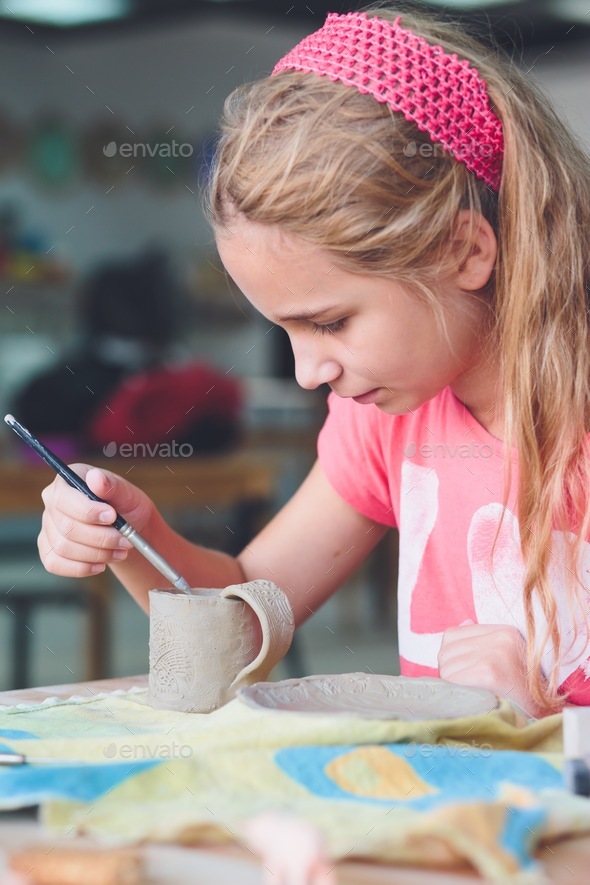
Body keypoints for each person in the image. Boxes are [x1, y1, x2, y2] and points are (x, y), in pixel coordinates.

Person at [37, 6, 590, 717]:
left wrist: (545, 720)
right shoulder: (386, 415)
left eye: (330, 321)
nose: (307, 373)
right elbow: (246, 613)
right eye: (286, 331)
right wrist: (137, 540)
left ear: (466, 251)